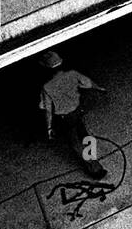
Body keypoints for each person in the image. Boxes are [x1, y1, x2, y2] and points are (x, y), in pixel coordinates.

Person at [38, 50, 107, 179]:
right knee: (85, 136)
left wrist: (49, 128)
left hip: (65, 118)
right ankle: (94, 159)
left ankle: (94, 167)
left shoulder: (47, 87)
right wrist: (99, 88)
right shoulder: (72, 75)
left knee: (75, 143)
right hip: (77, 111)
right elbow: (88, 83)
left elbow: (47, 109)